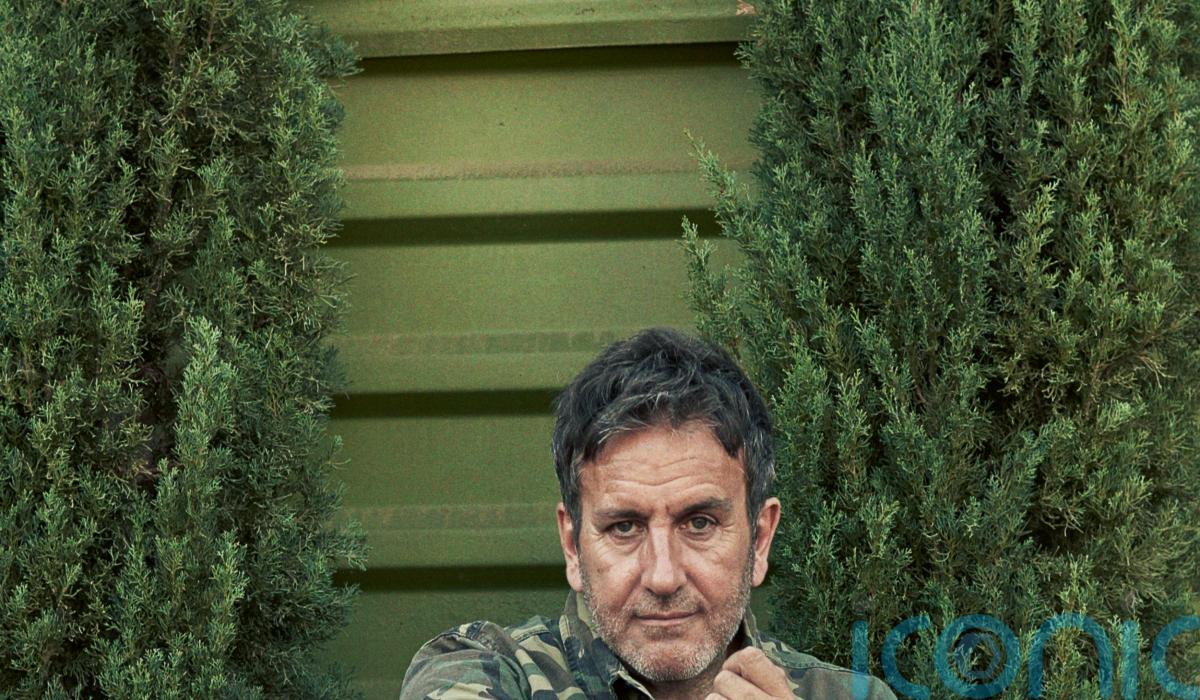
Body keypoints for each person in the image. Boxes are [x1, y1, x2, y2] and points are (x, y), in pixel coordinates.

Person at [399, 328, 895, 699]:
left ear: (760, 539)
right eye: (624, 527)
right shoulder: (484, 669)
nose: (663, 576)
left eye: (699, 523)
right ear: (572, 546)